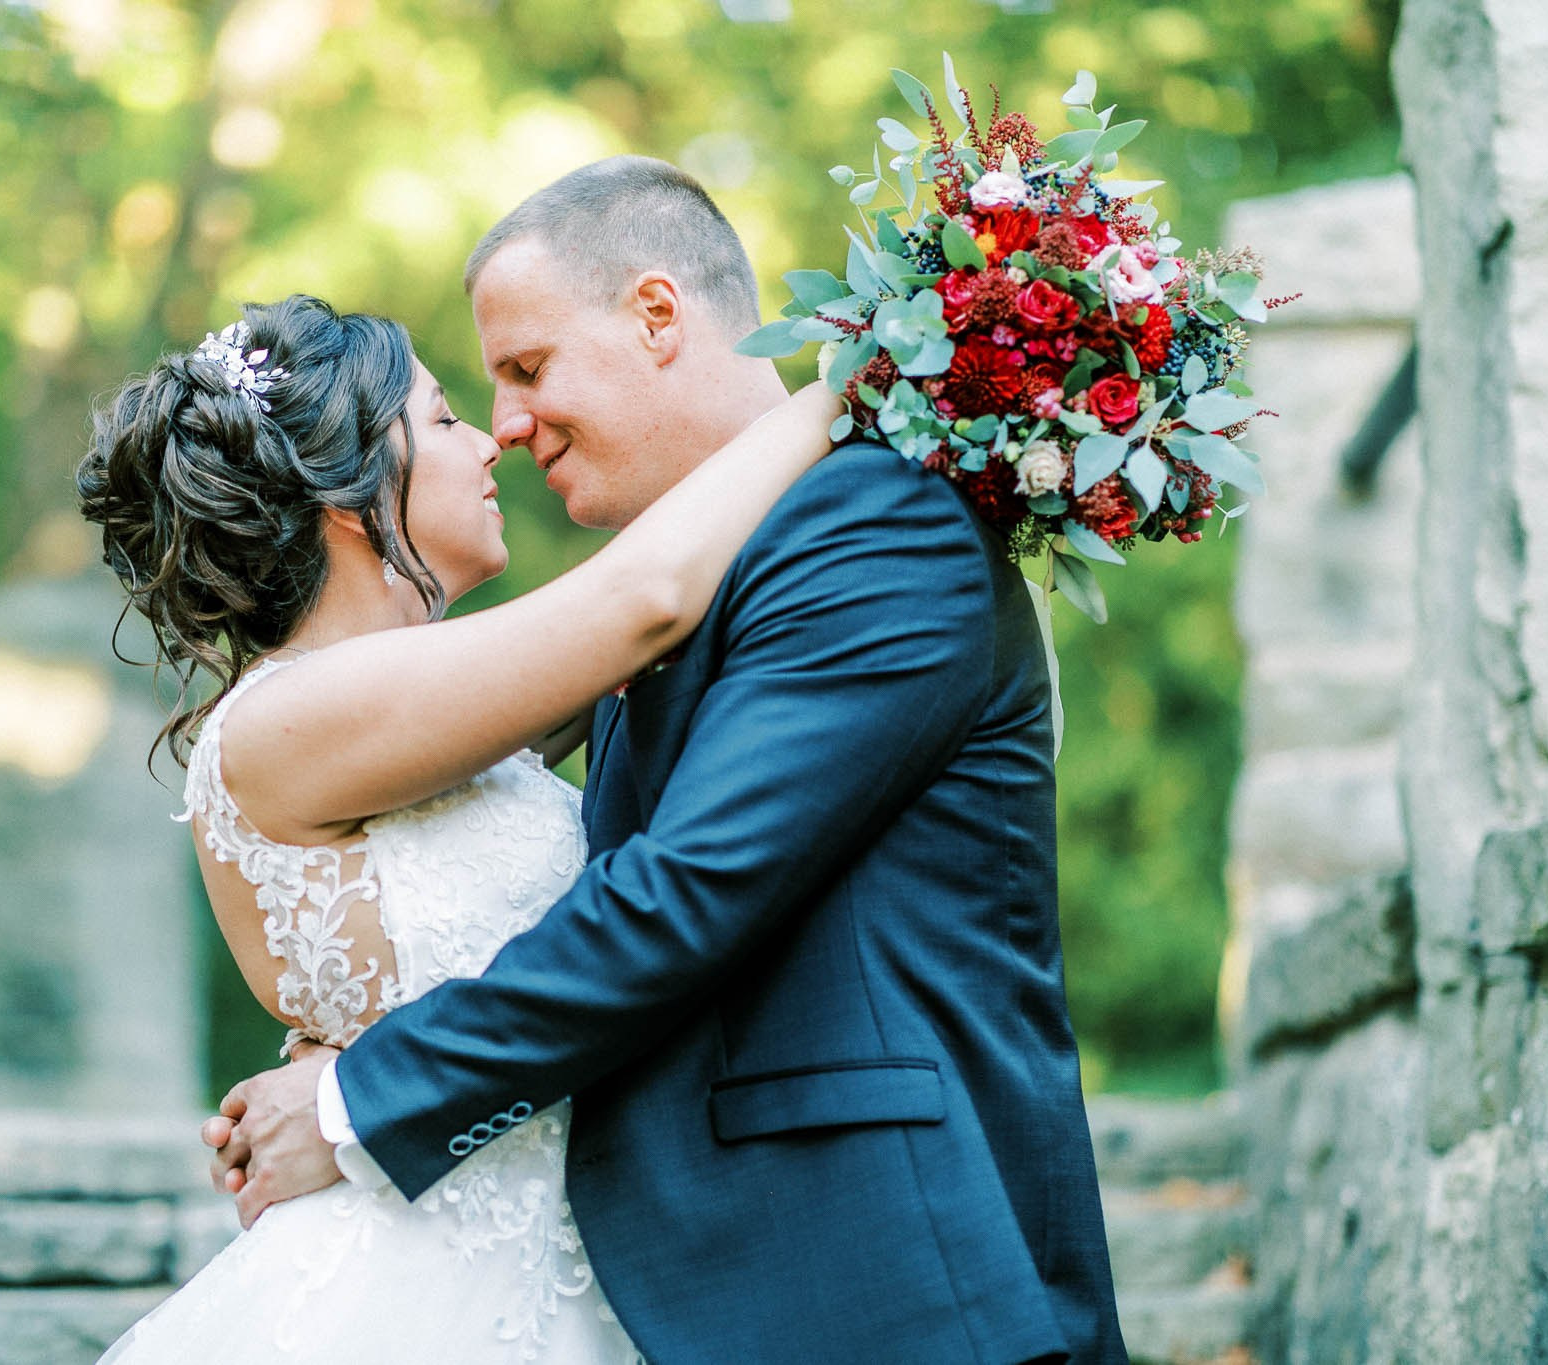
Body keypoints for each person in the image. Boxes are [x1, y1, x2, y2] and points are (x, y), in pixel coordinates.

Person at [206, 156, 1129, 1363]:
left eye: (528, 370)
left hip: (880, 1273)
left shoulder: (871, 524)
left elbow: (686, 892)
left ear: (655, 316)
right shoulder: (674, 586)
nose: (512, 425)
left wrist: (354, 1098)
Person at [79, 280, 843, 1362]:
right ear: (349, 497)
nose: (492, 442)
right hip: (412, 1294)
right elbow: (646, 601)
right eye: (442, 420)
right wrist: (854, 383)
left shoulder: (426, 716)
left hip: (557, 1264)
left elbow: (640, 648)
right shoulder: (290, 716)